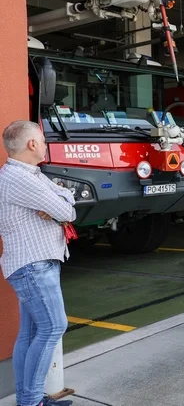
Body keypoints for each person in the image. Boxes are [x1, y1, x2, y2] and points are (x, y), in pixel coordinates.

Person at [0, 120, 76, 406]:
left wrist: (58, 199)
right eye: (42, 140)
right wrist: (58, 202)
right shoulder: (20, 178)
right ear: (32, 144)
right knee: (53, 326)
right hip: (34, 266)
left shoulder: (28, 174)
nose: (45, 144)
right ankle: (30, 402)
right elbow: (68, 210)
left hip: (32, 265)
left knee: (31, 332)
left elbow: (64, 199)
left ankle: (30, 400)